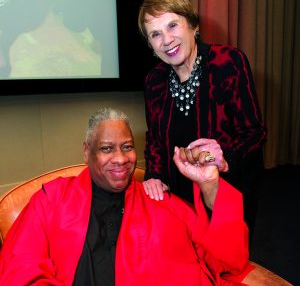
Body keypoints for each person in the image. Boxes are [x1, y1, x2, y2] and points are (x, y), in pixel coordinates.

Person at [0, 107, 254, 285]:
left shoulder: (159, 200)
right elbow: (20, 268)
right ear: (87, 152)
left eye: (128, 147)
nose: (121, 159)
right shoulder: (51, 200)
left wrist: (209, 182)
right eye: (107, 149)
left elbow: (227, 259)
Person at [138, 0, 267, 244]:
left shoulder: (229, 63)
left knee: (225, 263)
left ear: (193, 25)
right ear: (151, 45)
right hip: (178, 197)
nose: (166, 40)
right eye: (155, 34)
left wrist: (225, 156)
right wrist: (154, 175)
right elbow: (154, 140)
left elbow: (255, 133)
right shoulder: (153, 81)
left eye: (172, 25)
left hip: (228, 188)